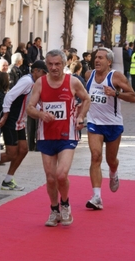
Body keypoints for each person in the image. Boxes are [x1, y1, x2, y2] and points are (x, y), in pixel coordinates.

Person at [26, 50, 91, 227]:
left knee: (61, 175)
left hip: (67, 135)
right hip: (46, 136)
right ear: (46, 65)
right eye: (50, 64)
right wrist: (41, 114)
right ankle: (54, 209)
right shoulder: (40, 83)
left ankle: (65, 204)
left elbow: (86, 99)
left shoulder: (73, 82)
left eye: (57, 64)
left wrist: (80, 117)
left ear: (64, 64)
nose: (54, 68)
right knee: (50, 177)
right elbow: (29, 108)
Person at [0, 61, 49, 190]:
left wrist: (43, 112)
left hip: (20, 121)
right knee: (11, 154)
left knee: (23, 150)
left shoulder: (35, 83)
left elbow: (31, 102)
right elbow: (9, 96)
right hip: (12, 120)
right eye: (44, 73)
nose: (45, 76)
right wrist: (5, 115)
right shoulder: (27, 81)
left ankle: (8, 180)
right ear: (36, 71)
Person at [84, 47, 135, 210]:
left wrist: (116, 94)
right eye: (95, 57)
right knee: (95, 156)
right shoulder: (89, 75)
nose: (97, 60)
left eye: (101, 58)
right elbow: (84, 96)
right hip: (94, 123)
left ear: (109, 61)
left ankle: (113, 172)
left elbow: (133, 97)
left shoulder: (116, 76)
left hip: (113, 124)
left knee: (110, 160)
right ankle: (97, 197)